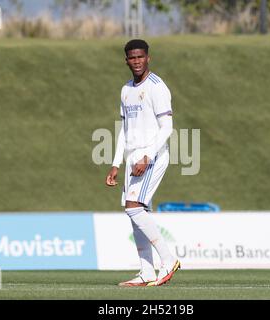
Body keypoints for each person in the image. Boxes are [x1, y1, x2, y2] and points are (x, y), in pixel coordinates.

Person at [105, 39, 180, 287]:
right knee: (135, 213)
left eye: (140, 57)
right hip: (132, 158)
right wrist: (116, 163)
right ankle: (146, 272)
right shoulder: (126, 90)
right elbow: (124, 131)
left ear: (148, 58)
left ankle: (168, 260)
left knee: (133, 207)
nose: (136, 61)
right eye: (131, 58)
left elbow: (167, 127)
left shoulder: (157, 87)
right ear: (126, 60)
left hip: (152, 155)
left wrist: (147, 156)